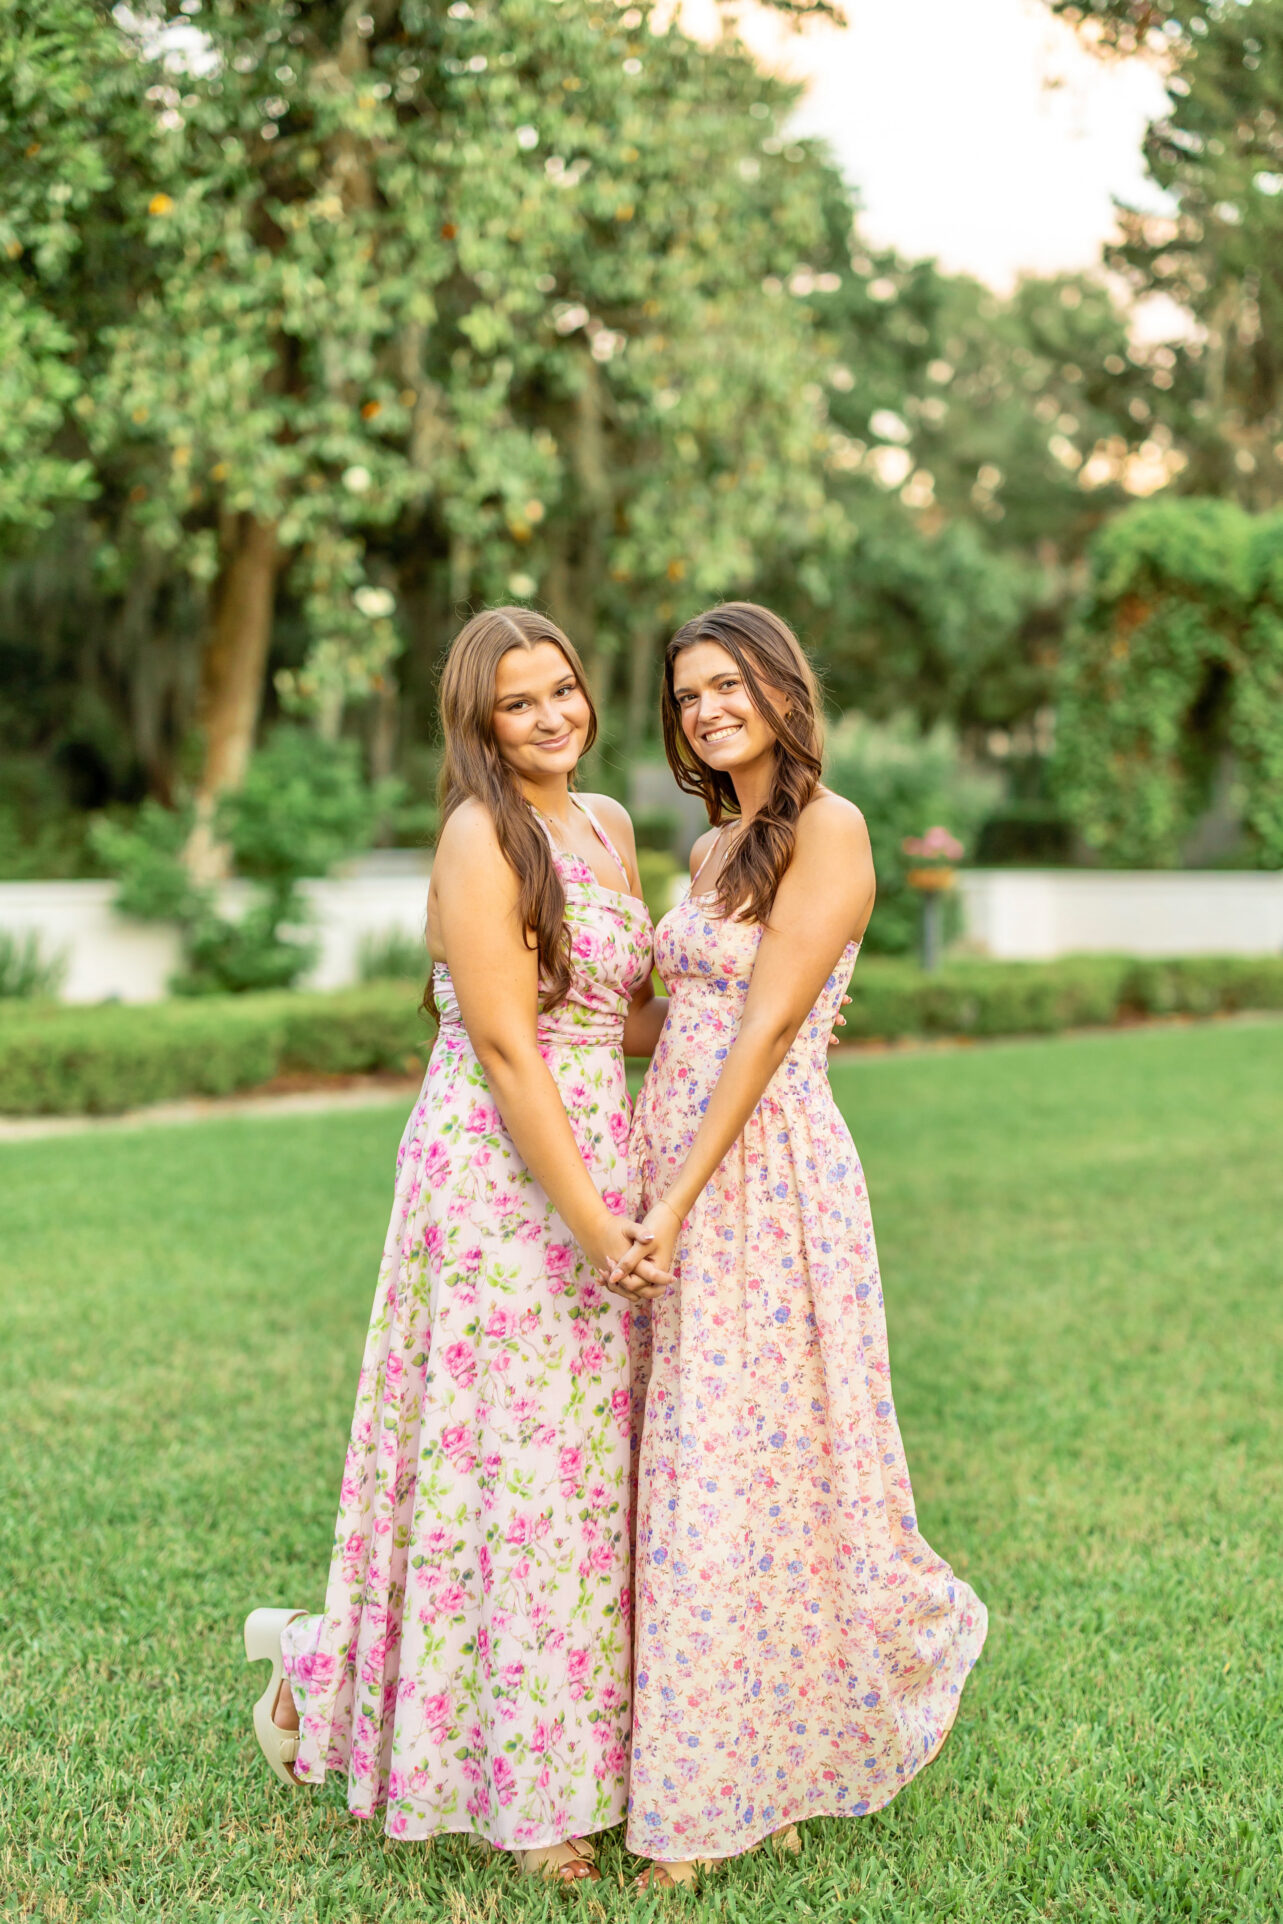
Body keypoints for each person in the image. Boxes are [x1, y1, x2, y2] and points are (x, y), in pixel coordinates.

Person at [245, 606, 671, 1886]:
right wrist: (592, 1225)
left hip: (603, 1153)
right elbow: (502, 1046)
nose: (549, 717)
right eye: (516, 703)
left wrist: (761, 1000)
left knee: (588, 1479)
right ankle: (525, 1796)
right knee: (512, 1474)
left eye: (562, 690)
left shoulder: (608, 825)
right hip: (498, 1179)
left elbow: (619, 1014)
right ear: (477, 723)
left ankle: (576, 1746)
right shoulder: (479, 835)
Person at [606, 602, 987, 1889]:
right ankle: (736, 1755)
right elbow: (661, 1023)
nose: (705, 709)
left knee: (745, 1464)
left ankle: (727, 1788)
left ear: (779, 689)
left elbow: (766, 1030)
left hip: (760, 1175)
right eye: (686, 694)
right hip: (673, 1156)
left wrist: (677, 1198)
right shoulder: (711, 846)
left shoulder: (831, 828)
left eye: (726, 684)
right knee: (697, 1466)